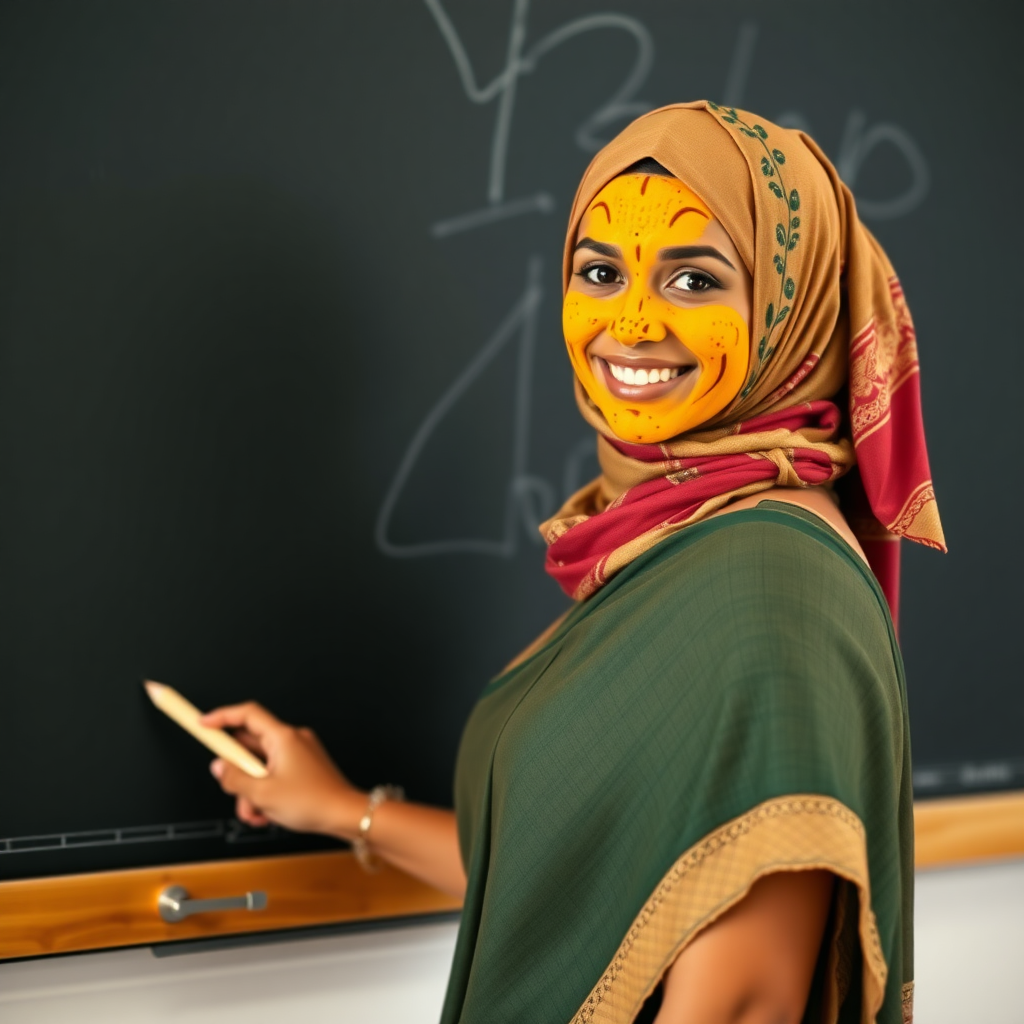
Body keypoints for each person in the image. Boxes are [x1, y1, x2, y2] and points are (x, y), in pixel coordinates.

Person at [202, 101, 945, 1023]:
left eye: (694, 279)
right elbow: (580, 880)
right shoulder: (680, 540)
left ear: (792, 308)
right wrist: (345, 809)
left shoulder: (767, 587)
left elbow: (746, 1002)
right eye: (600, 272)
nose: (629, 322)